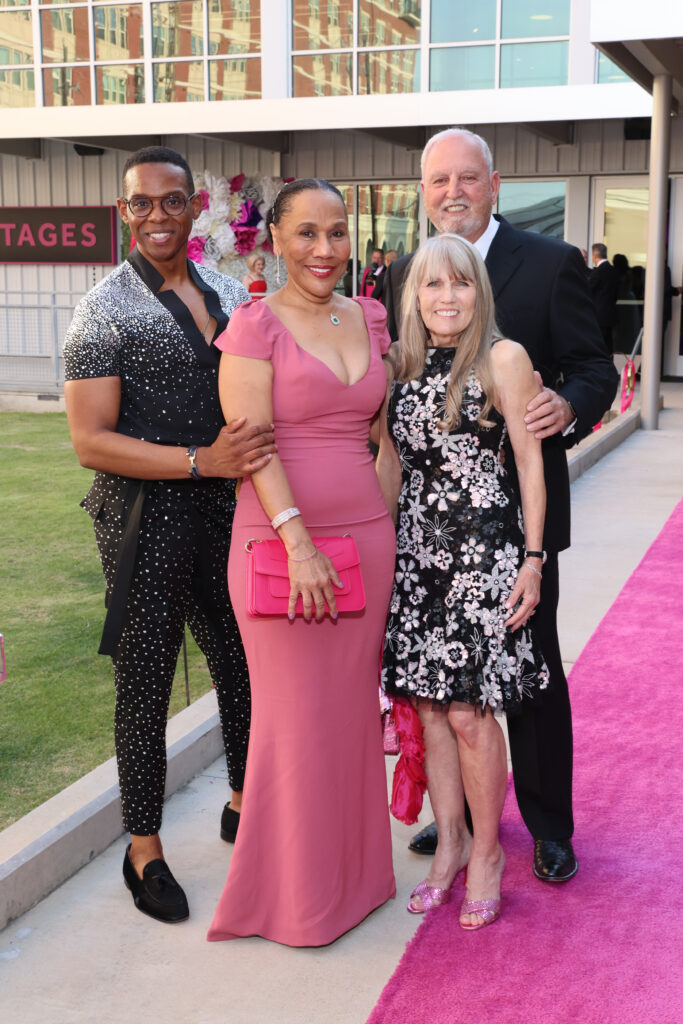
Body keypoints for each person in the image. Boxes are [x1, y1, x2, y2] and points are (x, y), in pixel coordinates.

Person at [383, 128, 618, 883]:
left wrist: (568, 405)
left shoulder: (550, 263)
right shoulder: (404, 274)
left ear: (494, 184)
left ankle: (548, 826)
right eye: (437, 180)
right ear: (423, 192)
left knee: (531, 677)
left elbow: (594, 367)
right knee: (442, 689)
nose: (452, 191)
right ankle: (458, 821)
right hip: (428, 532)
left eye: (467, 177)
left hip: (515, 522)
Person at [63, 146, 276, 923]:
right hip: (142, 515)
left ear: (195, 208)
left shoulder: (230, 292)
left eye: (172, 200)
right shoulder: (102, 308)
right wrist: (198, 460)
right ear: (123, 212)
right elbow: (89, 441)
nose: (157, 215)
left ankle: (244, 802)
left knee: (243, 661)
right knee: (146, 679)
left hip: (225, 508)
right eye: (141, 203)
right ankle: (143, 848)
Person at [207, 178, 396, 947]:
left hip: (368, 543)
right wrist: (299, 544)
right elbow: (251, 448)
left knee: (349, 718)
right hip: (282, 545)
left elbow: (385, 438)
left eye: (336, 232)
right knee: (294, 723)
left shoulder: (370, 317)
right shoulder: (253, 328)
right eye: (307, 233)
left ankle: (357, 881)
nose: (325, 248)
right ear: (277, 241)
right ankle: (294, 902)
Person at [382, 234, 549, 929]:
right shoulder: (398, 362)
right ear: (413, 296)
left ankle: (486, 852)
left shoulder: (502, 358)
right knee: (428, 709)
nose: (445, 297)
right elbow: (390, 464)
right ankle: (447, 843)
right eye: (432, 284)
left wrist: (533, 560)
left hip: (484, 557)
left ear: (479, 291)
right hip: (416, 558)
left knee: (469, 714)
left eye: (460, 283)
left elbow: (530, 464)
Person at [588, 243, 619, 353]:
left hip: (598, 316)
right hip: (611, 314)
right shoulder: (614, 271)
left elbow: (587, 290)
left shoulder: (597, 272)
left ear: (594, 256)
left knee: (598, 346)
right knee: (608, 346)